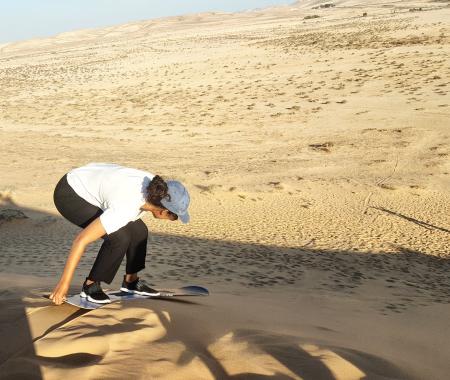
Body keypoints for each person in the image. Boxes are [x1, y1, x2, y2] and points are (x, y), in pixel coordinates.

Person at [50, 162, 190, 305]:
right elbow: (81, 240)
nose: (173, 220)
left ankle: (131, 282)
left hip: (90, 179)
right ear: (162, 211)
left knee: (139, 231)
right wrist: (64, 284)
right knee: (119, 238)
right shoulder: (126, 207)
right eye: (173, 216)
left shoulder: (157, 188)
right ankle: (90, 286)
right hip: (70, 193)